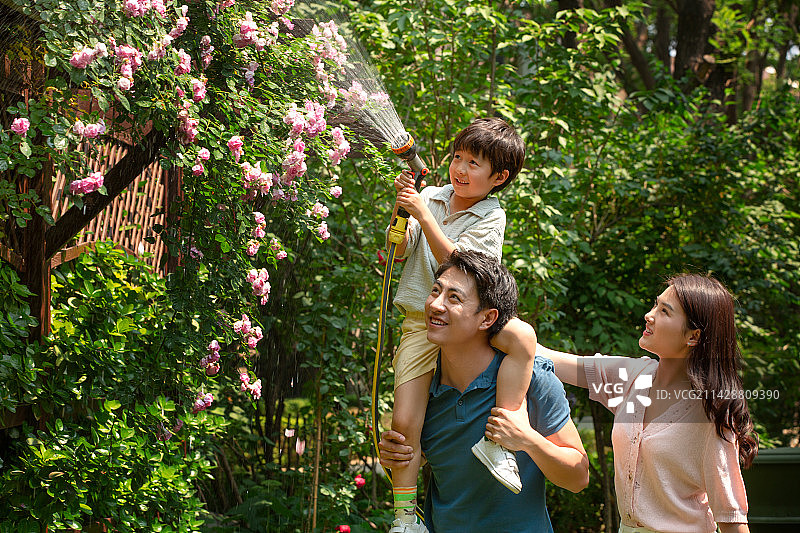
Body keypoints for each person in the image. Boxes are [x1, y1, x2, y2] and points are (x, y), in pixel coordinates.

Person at [489, 273, 757, 533]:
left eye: (665, 311)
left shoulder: (708, 416)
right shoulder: (635, 381)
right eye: (655, 304)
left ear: (693, 337)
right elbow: (547, 357)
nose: (649, 315)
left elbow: (731, 519)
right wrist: (484, 310)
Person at [385, 118, 529, 533]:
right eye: (458, 158)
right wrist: (403, 211)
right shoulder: (430, 196)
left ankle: (498, 444)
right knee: (403, 424)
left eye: (473, 164)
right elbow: (398, 254)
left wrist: (422, 216)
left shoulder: (491, 217)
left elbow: (464, 269)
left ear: (498, 177)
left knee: (520, 337)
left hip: (470, 326)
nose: (460, 169)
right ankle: (405, 519)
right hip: (420, 322)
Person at [379, 250, 589, 533]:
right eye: (435, 291)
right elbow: (432, 458)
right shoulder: (420, 385)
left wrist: (526, 440)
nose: (435, 305)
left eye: (454, 298)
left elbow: (578, 477)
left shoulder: (532, 377)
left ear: (487, 318)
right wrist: (398, 454)